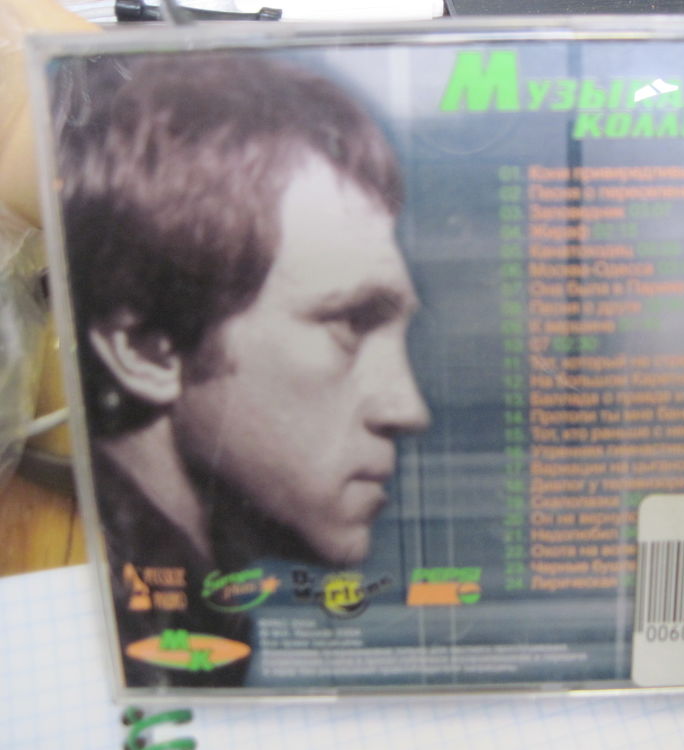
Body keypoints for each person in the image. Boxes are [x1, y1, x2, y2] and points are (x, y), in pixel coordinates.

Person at [54, 52, 430, 683]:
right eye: (349, 323)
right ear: (148, 349)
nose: (408, 410)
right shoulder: (93, 643)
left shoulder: (175, 610)